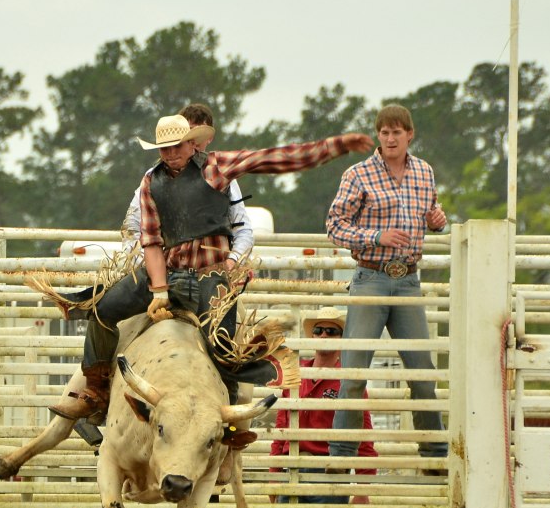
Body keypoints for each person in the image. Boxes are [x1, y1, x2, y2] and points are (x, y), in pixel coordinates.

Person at [49, 114, 374, 421]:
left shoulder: (215, 167)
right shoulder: (151, 181)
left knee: (224, 349)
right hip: (169, 274)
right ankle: (96, 387)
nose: (171, 153)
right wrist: (159, 289)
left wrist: (337, 146)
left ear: (193, 144)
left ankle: (227, 422)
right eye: (165, 148)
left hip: (212, 278)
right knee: (101, 309)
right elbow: (150, 239)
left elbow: (273, 158)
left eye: (177, 146)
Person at [325, 104, 448, 464]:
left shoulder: (424, 172)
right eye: (384, 132)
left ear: (410, 135)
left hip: (408, 279)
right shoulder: (358, 174)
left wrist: (437, 221)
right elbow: (334, 225)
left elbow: (431, 215)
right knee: (354, 373)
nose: (390, 138)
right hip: (370, 278)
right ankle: (341, 457)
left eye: (397, 132)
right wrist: (376, 236)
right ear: (378, 136)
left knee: (422, 374)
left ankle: (435, 456)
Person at [269, 307, 377, 508]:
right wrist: (274, 473)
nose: (324, 336)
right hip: (293, 468)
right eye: (318, 330)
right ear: (313, 337)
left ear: (341, 339)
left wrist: (362, 488)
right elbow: (281, 427)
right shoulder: (296, 373)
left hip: (329, 471)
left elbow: (363, 437)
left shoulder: (349, 380)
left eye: (332, 331)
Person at [120, 103, 253, 272]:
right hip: (169, 271)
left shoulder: (219, 175)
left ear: (207, 138)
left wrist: (231, 263)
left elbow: (242, 229)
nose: (192, 143)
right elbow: (133, 226)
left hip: (212, 271)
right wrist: (149, 271)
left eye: (194, 135)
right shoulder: (153, 179)